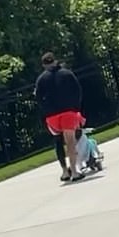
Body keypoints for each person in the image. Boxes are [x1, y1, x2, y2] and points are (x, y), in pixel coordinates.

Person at [34, 52, 86, 182]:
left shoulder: (41, 79)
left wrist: (46, 110)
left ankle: (64, 171)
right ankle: (74, 171)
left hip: (52, 116)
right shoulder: (67, 74)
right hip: (68, 112)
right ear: (55, 61)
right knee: (70, 142)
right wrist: (75, 107)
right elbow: (78, 90)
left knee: (58, 141)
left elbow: (38, 98)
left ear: (44, 65)